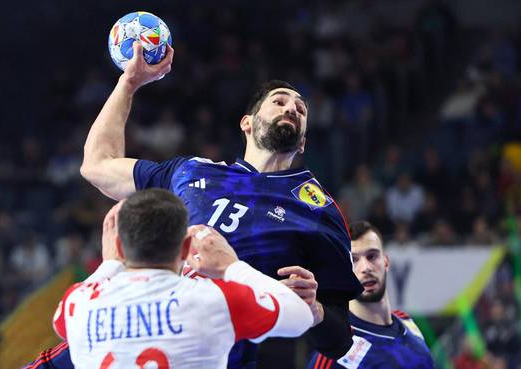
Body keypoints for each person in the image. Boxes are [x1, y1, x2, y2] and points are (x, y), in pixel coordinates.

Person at [26, 41, 362, 369]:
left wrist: (315, 309)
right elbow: (98, 165)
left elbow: (339, 341)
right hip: (132, 323)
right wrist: (128, 83)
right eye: (280, 101)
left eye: (301, 109)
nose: (292, 108)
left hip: (213, 351)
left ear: (302, 142)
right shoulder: (191, 172)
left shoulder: (317, 211)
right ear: (247, 123)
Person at [52, 189, 313, 369]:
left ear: (119, 247)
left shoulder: (79, 302)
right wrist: (232, 267)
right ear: (187, 246)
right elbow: (301, 316)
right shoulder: (217, 299)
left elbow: (60, 324)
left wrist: (109, 265)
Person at [306, 221, 435, 369]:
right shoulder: (337, 349)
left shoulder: (407, 321)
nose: (366, 268)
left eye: (372, 256)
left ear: (386, 262)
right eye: (353, 260)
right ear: (343, 271)